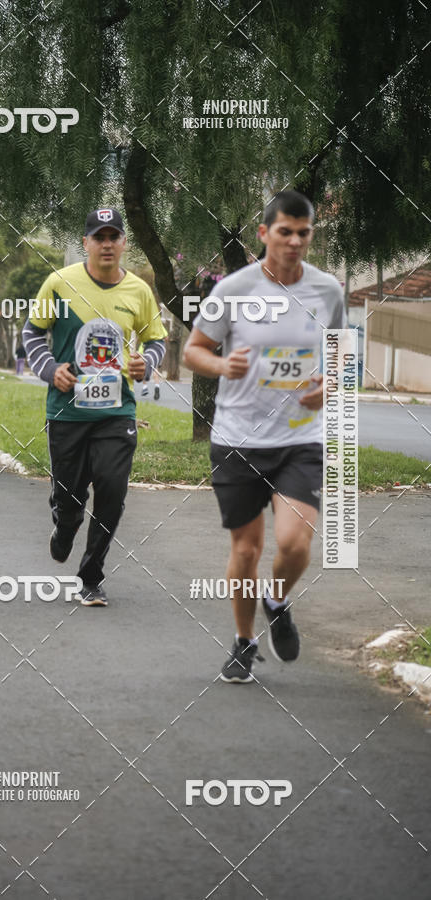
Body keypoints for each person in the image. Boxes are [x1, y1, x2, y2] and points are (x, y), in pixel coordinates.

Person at [183, 189, 346, 682]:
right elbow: (194, 350)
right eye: (285, 232)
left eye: (304, 233)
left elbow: (339, 354)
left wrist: (331, 384)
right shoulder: (234, 290)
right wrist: (221, 364)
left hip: (300, 437)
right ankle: (242, 640)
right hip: (238, 437)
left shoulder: (327, 292)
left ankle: (277, 600)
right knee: (247, 550)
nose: (295, 241)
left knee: (296, 544)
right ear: (264, 234)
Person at [22, 207, 167, 606]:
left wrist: (146, 363)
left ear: (123, 243)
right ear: (85, 243)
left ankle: (91, 576)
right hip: (66, 412)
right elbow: (33, 334)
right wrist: (50, 370)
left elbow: (156, 340)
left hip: (116, 412)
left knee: (111, 490)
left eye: (113, 236)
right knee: (69, 497)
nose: (106, 244)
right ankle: (65, 524)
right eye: (98, 237)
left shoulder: (138, 290)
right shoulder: (59, 284)